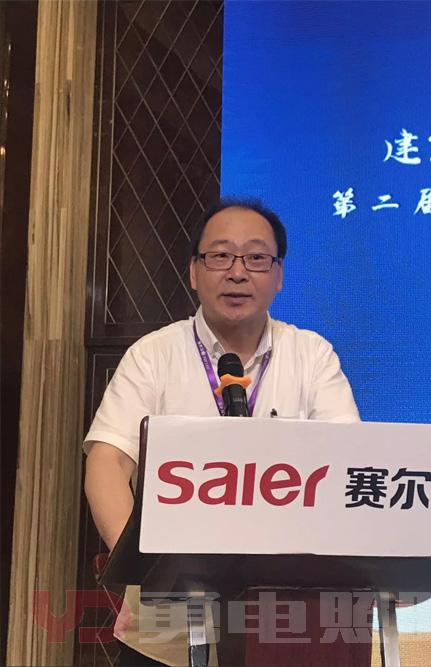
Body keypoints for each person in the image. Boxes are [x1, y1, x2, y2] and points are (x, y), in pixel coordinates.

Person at [84, 198, 360, 666]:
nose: (237, 272)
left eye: (256, 257)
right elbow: (107, 461)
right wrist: (143, 564)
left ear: (278, 275)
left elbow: (346, 460)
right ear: (194, 271)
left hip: (283, 620)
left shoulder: (311, 356)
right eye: (220, 256)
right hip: (165, 627)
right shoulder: (153, 355)